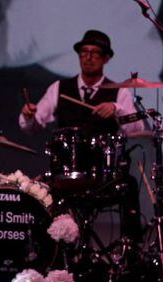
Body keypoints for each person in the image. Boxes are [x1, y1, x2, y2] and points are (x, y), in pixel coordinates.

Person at [19, 29, 144, 242]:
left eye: (95, 53)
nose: (88, 57)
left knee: (129, 185)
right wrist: (28, 115)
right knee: (38, 192)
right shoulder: (59, 88)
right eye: (84, 52)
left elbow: (137, 129)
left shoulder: (119, 93)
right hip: (65, 174)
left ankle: (130, 251)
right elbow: (31, 126)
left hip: (103, 176)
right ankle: (50, 251)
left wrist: (117, 109)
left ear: (106, 58)